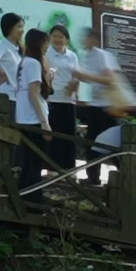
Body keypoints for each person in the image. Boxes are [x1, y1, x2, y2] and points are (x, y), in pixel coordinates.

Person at [72, 26, 120, 185]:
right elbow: (90, 78)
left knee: (111, 143)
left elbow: (110, 80)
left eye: (86, 37)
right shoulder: (88, 56)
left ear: (93, 39)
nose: (83, 41)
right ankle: (93, 177)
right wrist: (80, 78)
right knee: (92, 142)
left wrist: (85, 76)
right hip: (95, 105)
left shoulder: (102, 56)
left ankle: (126, 173)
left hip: (107, 107)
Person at [12, 28, 52, 191]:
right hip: (34, 118)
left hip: (23, 116)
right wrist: (44, 122)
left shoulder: (24, 61)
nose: (47, 47)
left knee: (28, 162)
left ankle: (23, 196)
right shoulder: (34, 63)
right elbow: (34, 95)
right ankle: (33, 200)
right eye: (45, 43)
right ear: (39, 44)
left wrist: (48, 80)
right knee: (35, 163)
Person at [44, 24, 81, 173]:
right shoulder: (46, 53)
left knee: (68, 134)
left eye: (61, 37)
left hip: (68, 99)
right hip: (52, 99)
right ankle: (52, 170)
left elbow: (77, 75)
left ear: (66, 39)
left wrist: (75, 86)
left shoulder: (72, 55)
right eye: (55, 36)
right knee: (54, 135)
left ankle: (69, 169)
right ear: (50, 37)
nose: (58, 39)